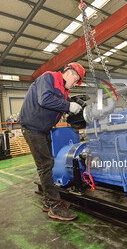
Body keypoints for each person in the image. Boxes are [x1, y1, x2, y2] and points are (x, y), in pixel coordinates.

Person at [18, 62, 85, 221]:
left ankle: (49, 202)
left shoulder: (63, 90)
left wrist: (73, 111)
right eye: (76, 80)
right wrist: (68, 105)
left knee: (48, 164)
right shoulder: (49, 77)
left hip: (43, 129)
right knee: (45, 165)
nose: (75, 84)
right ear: (70, 72)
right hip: (32, 128)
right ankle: (55, 206)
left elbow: (60, 107)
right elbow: (45, 100)